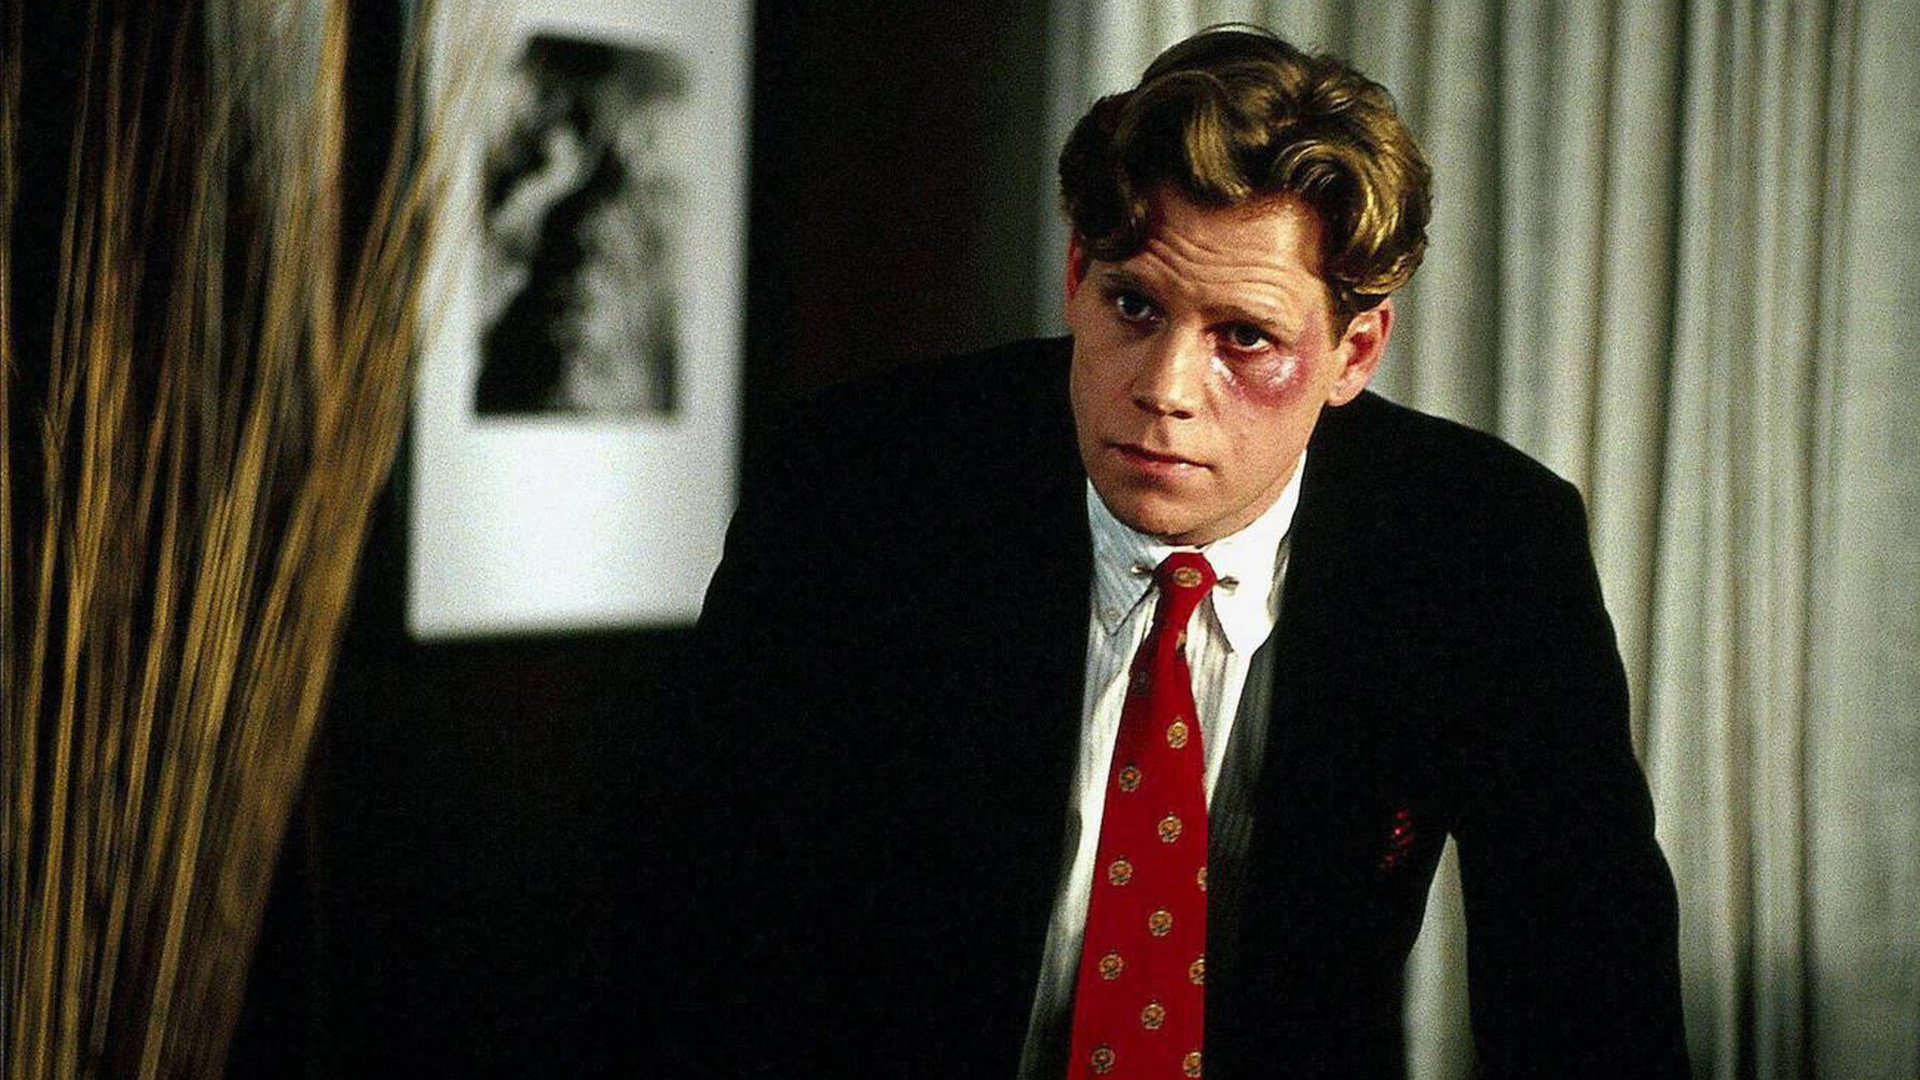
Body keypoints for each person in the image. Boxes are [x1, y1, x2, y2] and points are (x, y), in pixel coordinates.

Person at [687, 25, 1689, 1080]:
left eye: (1244, 338)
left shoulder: (1485, 546)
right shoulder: (863, 487)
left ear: (1353, 352)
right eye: (1133, 305)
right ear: (1077, 275)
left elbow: (1589, 990)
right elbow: (695, 920)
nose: (1164, 389)